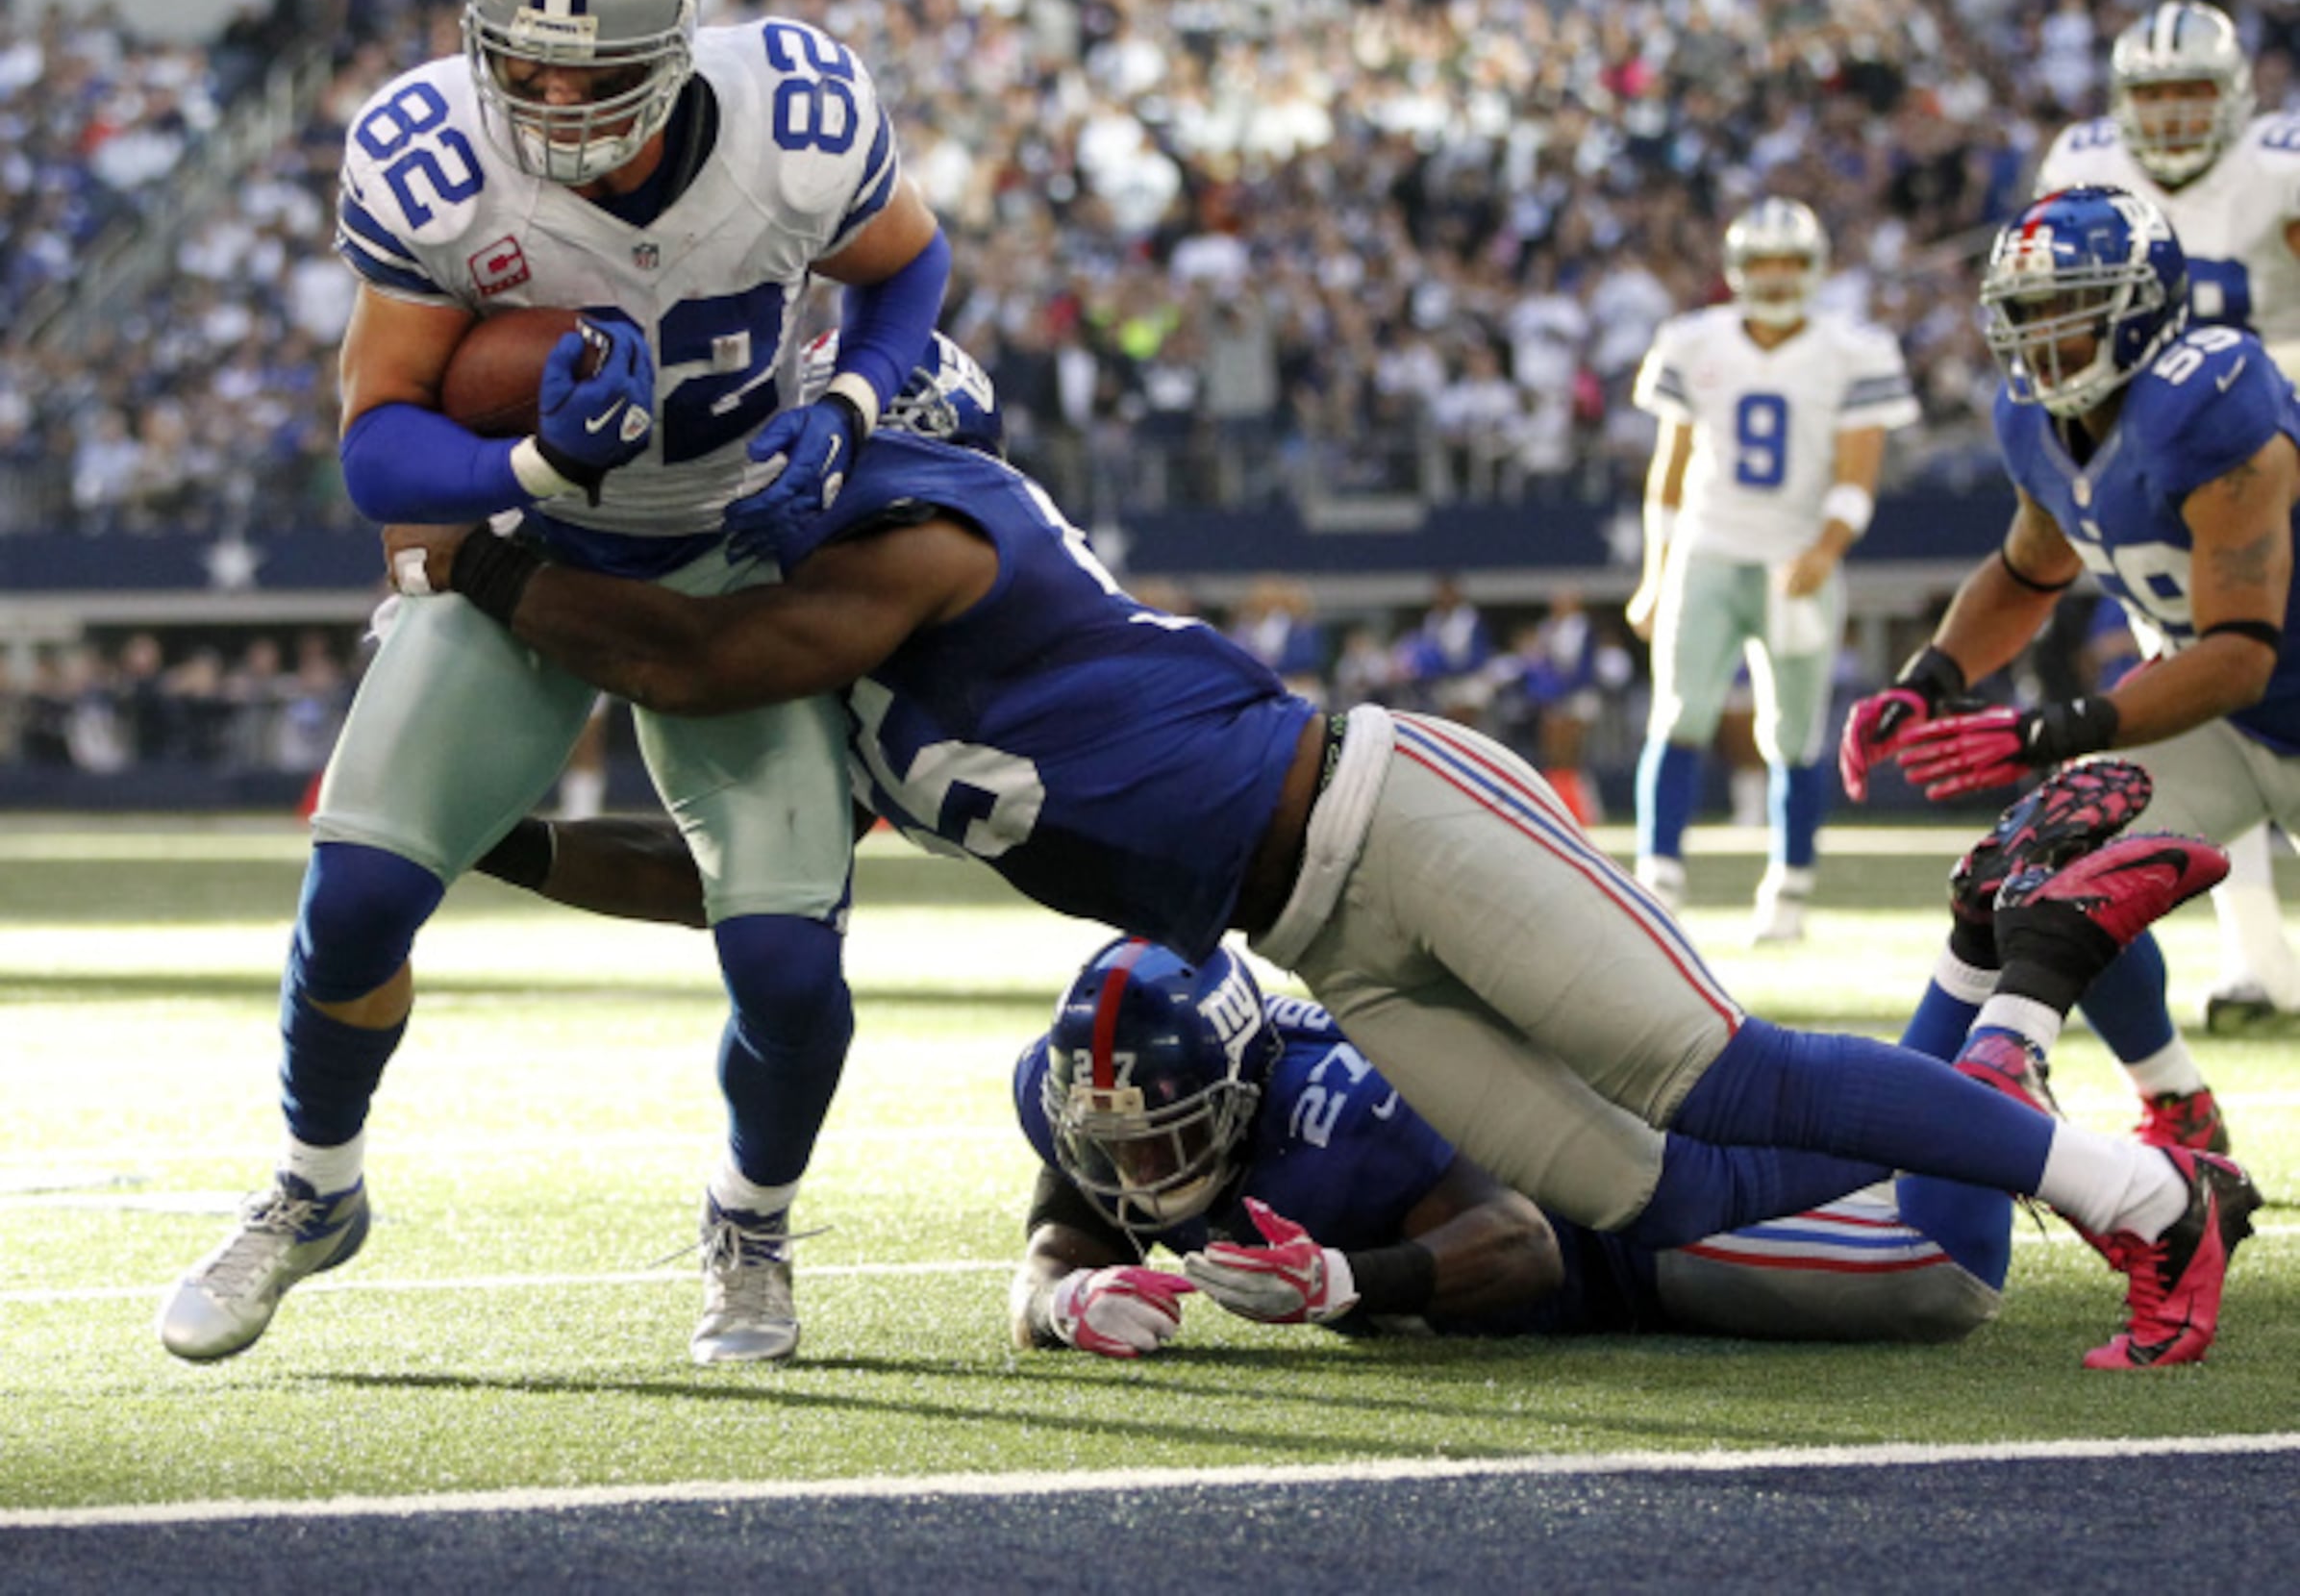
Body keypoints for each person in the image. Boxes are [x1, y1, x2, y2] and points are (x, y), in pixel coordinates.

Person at [389, 327, 2262, 1370]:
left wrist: (483, 553)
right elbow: (740, 874)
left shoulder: (939, 547)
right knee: (1608, 1185)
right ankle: (1978, 1066)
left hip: (1388, 814)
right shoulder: (882, 690)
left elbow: (709, 653)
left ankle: (2122, 1189)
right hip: (1315, 932)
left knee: (1710, 1062)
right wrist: (492, 843)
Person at [158, 0, 952, 1371]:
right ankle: (315, 1189)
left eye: (582, 71)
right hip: (538, 560)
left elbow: (908, 264)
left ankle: (751, 1218)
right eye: (514, 60)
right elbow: (377, 437)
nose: (541, 98)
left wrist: (845, 405)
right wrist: (528, 464)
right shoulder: (433, 158)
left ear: (673, 46)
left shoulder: (794, 119)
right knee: (353, 906)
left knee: (789, 965)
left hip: (735, 560)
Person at [1011, 758, 2162, 1356]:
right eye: (1116, 1137)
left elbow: (1519, 1248)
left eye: (1164, 1131)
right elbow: (1062, 1233)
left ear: (1242, 1078)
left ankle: (2018, 983)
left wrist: (1351, 1284)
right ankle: (1978, 960)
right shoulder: (1094, 1084)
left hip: (1626, 1231)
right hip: (1636, 1148)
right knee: (1876, 1144)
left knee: (1941, 1272)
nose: (1143, 1170)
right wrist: (1066, 1301)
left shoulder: (1335, 1111)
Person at [1841, 184, 2294, 1136]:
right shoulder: (2035, 419)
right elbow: (2027, 569)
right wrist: (1927, 682)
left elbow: (2243, 651)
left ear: (2139, 308)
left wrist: (2054, 727)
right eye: (2025, 311)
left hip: (2248, 683)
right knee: (2051, 849)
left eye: (2066, 307)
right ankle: (2173, 1101)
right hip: (2228, 717)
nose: (2040, 334)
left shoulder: (2209, 397)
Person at [2032, 0, 2300, 1033]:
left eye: (2194, 91)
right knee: (2198, 701)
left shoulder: (2278, 161)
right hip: (2158, 463)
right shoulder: (2083, 161)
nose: (2176, 114)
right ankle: (2252, 957)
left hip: (2274, 442)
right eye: (2155, 93)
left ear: (2233, 94)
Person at [1625, 198, 1918, 944]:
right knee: (1679, 713)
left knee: (1794, 734)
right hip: (1710, 548)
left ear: (1815, 268)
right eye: (1763, 264)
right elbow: (1671, 466)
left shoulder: (1854, 349)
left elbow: (1859, 471)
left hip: (1798, 555)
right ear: (1737, 271)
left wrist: (1822, 550)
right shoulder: (1693, 341)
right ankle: (1658, 878)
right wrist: (1655, 574)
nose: (1778, 277)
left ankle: (1788, 890)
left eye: (1791, 263)